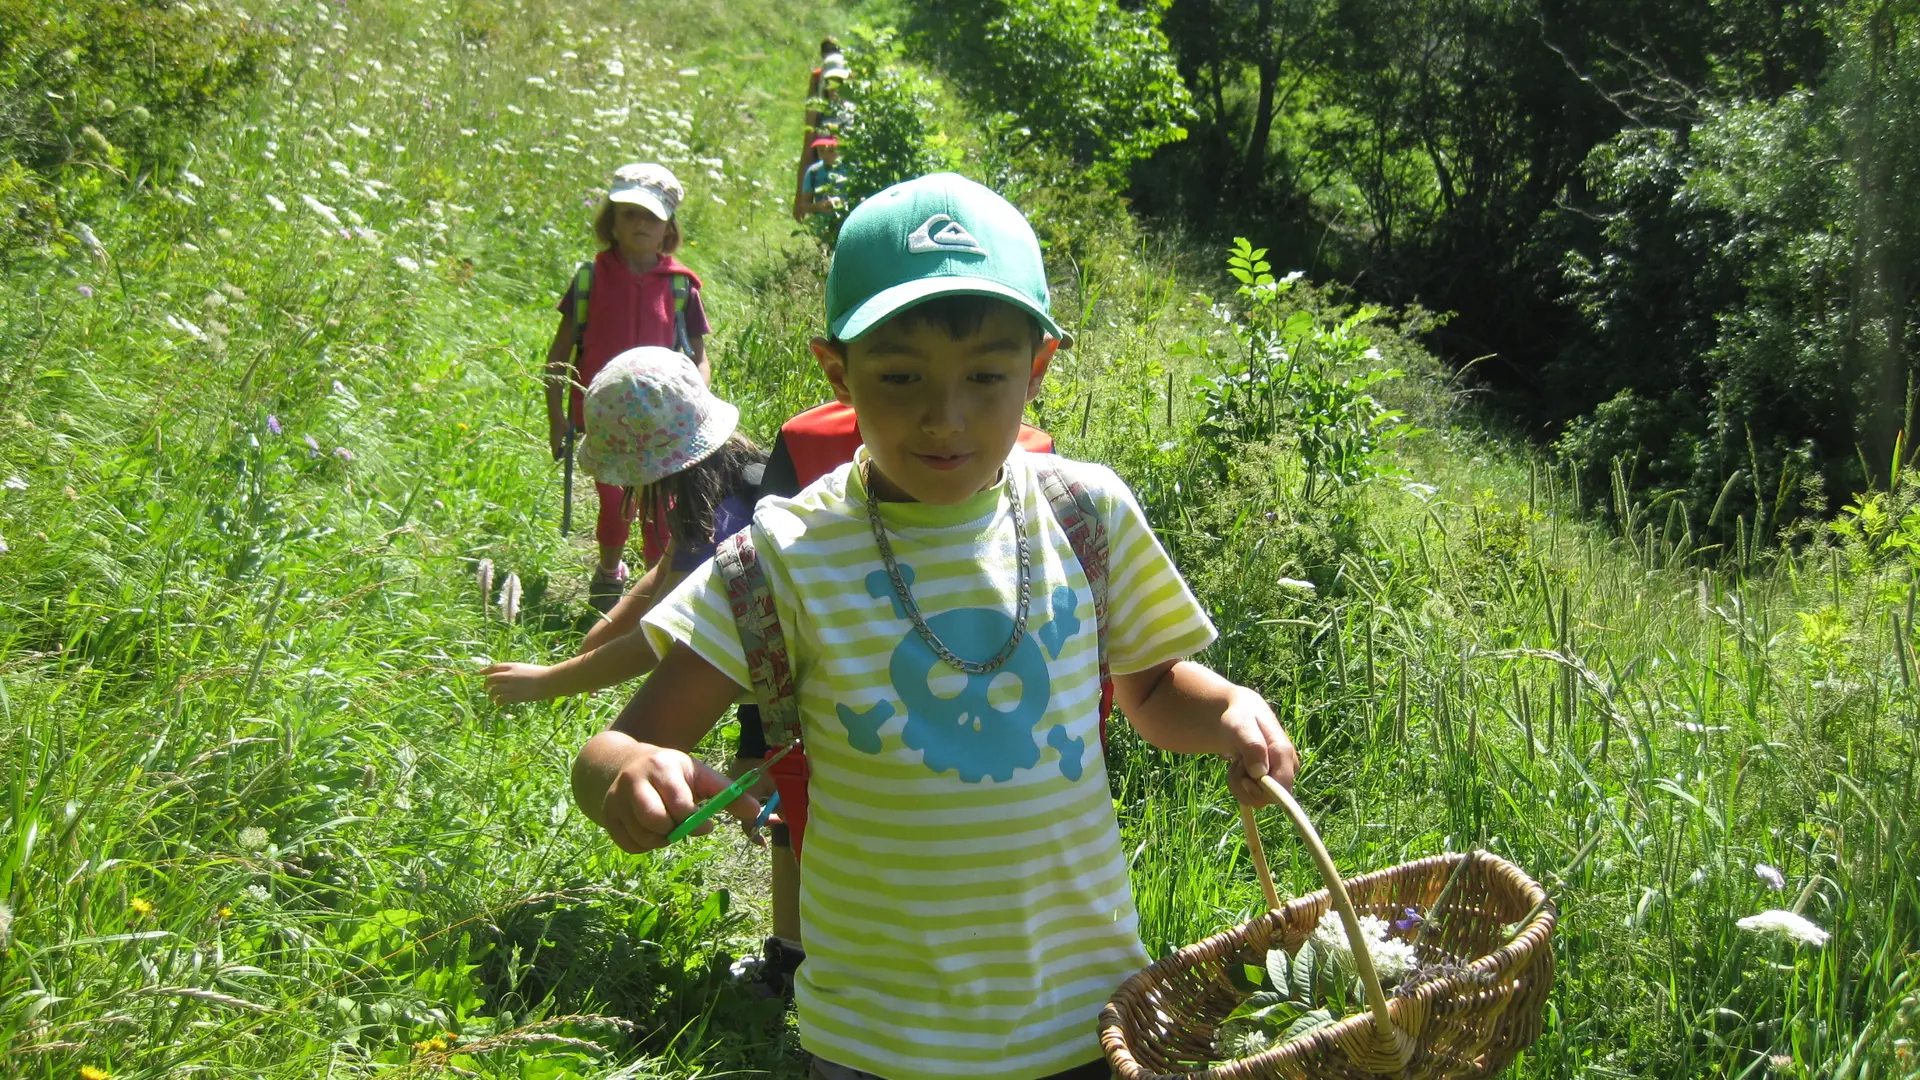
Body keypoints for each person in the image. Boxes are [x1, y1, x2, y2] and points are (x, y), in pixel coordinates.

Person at [571, 173, 1298, 1080]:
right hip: (879, 1042)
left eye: (987, 377)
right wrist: (627, 772)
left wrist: (1227, 707)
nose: (944, 416)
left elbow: (1150, 692)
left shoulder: (1087, 514)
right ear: (838, 372)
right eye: (901, 376)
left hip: (1089, 1017)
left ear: (1037, 369)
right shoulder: (782, 557)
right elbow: (616, 746)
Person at [543, 164, 711, 604]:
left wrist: (700, 406)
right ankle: (609, 571)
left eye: (651, 217)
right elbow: (560, 354)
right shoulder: (590, 279)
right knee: (617, 503)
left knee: (660, 510)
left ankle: (655, 587)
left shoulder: (680, 286)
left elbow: (698, 356)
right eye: (629, 214)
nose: (640, 225)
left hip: (664, 421)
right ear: (611, 223)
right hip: (604, 418)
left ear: (668, 229)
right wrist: (557, 416)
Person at [792, 51, 851, 223]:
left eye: (839, 81)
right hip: (822, 186)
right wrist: (800, 198)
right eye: (830, 82)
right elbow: (807, 152)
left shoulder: (856, 112)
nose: (835, 87)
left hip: (847, 183)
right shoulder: (816, 112)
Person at [798, 136, 848, 223]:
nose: (825, 155)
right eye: (821, 151)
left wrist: (843, 203)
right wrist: (818, 207)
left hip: (847, 220)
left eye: (831, 150)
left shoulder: (850, 169)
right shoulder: (813, 171)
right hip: (823, 224)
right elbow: (805, 205)